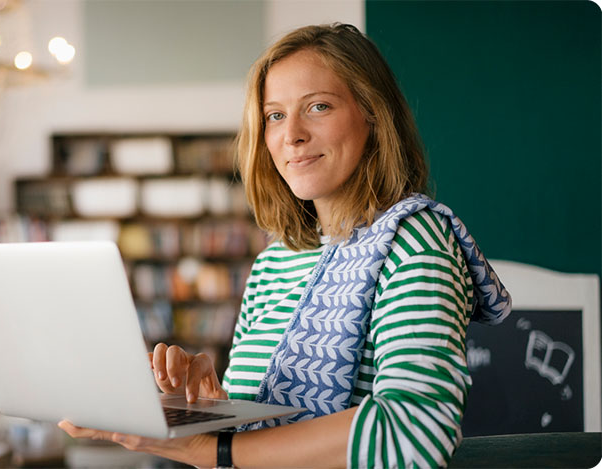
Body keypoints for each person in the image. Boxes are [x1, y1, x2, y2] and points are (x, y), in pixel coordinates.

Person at [59, 23, 511, 468]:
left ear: (373, 115)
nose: (291, 134)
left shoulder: (416, 240)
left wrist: (217, 452)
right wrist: (202, 409)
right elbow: (256, 441)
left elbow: (416, 432)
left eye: (317, 107)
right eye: (275, 114)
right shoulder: (274, 261)